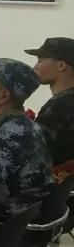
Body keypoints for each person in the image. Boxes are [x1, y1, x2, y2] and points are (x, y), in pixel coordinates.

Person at [0, 58, 53, 220]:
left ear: (3, 95)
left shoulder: (2, 137)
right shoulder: (26, 125)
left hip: (7, 221)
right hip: (28, 215)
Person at [25, 37, 74, 171]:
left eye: (40, 61)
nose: (35, 67)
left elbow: (30, 155)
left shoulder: (58, 105)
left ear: (61, 65)